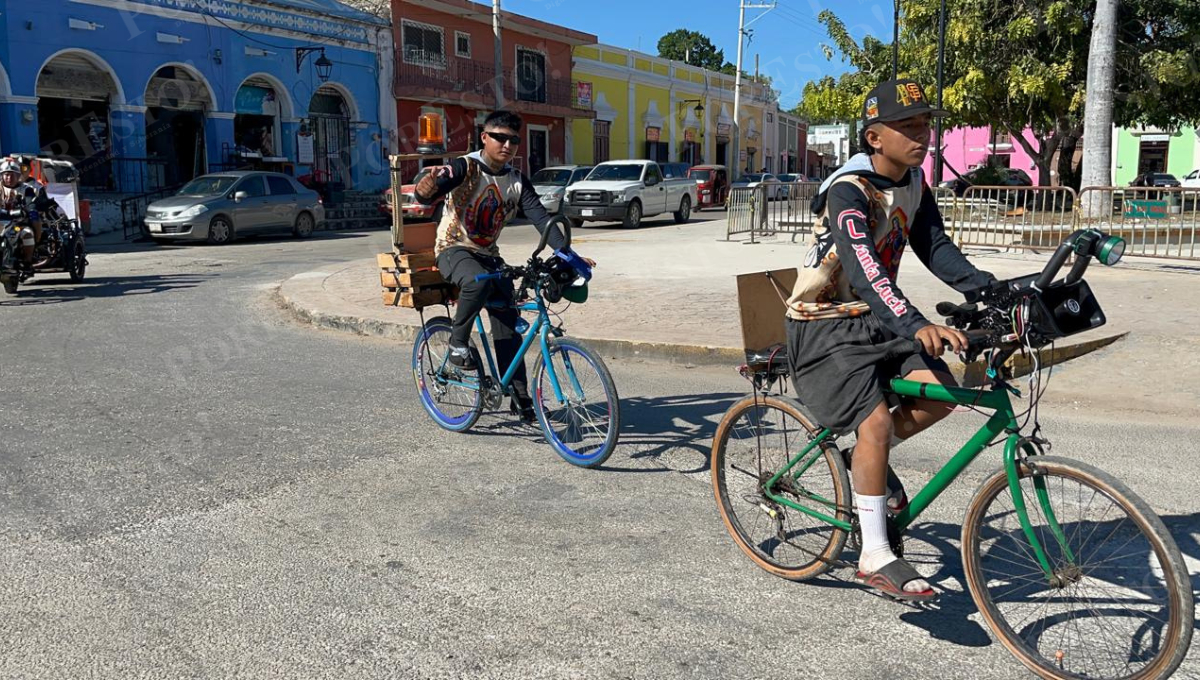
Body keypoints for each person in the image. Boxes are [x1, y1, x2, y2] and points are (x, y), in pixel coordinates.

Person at [785, 79, 996, 601]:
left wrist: (992, 290)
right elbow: (862, 272)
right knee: (876, 420)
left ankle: (867, 461)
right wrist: (917, 322)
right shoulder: (847, 191)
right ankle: (875, 554)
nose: (923, 134)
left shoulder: (914, 182)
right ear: (874, 137)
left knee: (942, 395)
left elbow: (933, 245)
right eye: (908, 126)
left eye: (925, 123)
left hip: (877, 317)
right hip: (824, 322)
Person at [413, 110, 595, 423]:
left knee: (509, 329)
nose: (507, 144)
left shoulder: (515, 180)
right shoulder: (465, 167)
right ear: (484, 137)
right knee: (477, 282)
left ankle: (522, 402)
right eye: (499, 137)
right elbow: (428, 191)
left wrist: (569, 254)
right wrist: (426, 186)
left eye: (513, 139)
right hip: (453, 250)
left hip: (489, 256)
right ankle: (457, 345)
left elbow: (541, 219)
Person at [0, 157, 44, 273]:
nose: (9, 178)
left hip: (19, 223)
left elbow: (31, 204)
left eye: (12, 175)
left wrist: (30, 210)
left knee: (28, 234)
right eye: (6, 175)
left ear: (18, 175)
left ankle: (27, 262)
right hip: (1, 223)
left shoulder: (27, 189)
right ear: (2, 176)